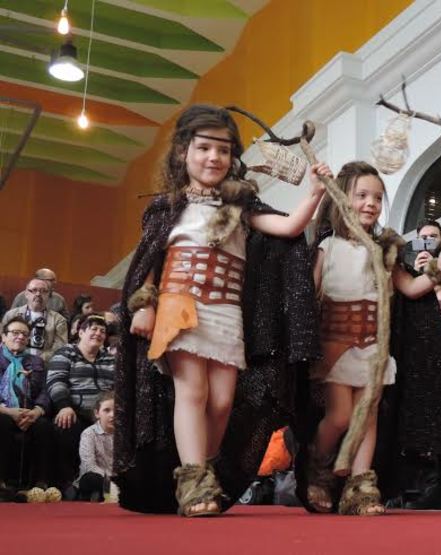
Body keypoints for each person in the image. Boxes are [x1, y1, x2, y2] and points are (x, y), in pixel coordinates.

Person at [118, 104, 325, 517]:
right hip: (181, 306)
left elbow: (288, 228)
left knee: (223, 402)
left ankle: (203, 473)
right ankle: (194, 482)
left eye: (224, 150)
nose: (214, 157)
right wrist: (144, 305)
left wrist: (316, 192)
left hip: (227, 312)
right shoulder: (166, 206)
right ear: (183, 153)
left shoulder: (243, 206)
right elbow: (150, 261)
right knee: (192, 391)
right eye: (204, 148)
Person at [304, 160, 441, 516]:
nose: (371, 203)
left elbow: (411, 288)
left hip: (374, 349)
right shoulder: (327, 248)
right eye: (362, 195)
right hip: (335, 346)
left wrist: (440, 269)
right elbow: (307, 297)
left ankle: (362, 484)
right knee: (340, 416)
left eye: (378, 198)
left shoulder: (384, 251)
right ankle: (316, 467)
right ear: (340, 198)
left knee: (368, 417)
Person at [47, 314, 115, 493]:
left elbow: (119, 388)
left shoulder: (110, 359)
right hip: (76, 410)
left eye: (102, 331)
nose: (99, 333)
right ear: (81, 332)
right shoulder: (65, 353)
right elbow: (56, 381)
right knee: (65, 424)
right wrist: (64, 406)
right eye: (93, 329)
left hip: (106, 412)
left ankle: (110, 482)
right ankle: (68, 483)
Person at [0, 317, 59, 501]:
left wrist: (36, 411)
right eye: (15, 333)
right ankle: (2, 481)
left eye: (24, 334)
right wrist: (9, 411)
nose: (20, 337)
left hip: (30, 412)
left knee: (44, 426)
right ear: (3, 336)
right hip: (3, 412)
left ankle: (40, 483)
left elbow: (45, 390)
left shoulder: (36, 362)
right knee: (2, 423)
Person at [1, 278, 68, 363]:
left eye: (43, 291)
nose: (38, 294)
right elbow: (3, 340)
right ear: (26, 294)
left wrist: (37, 360)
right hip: (12, 360)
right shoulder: (11, 315)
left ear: (49, 295)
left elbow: (60, 347)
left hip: (43, 364)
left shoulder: (59, 320)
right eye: (34, 290)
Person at [76, 391, 115, 502]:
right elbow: (89, 465)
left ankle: (104, 495)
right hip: (99, 477)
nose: (112, 415)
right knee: (90, 479)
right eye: (107, 410)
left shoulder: (125, 435)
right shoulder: (89, 434)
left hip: (119, 480)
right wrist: (110, 480)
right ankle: (104, 494)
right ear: (97, 413)